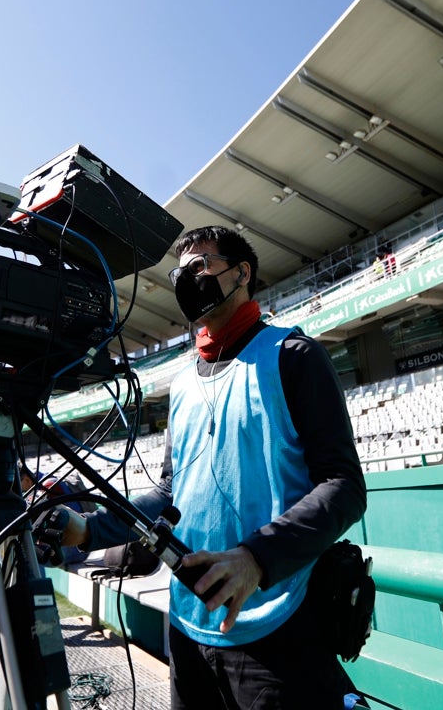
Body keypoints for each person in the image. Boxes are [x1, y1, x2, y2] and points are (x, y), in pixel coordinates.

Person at [59, 225, 367, 709]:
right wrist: (87, 529)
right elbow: (168, 494)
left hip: (279, 621)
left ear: (242, 273)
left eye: (201, 267)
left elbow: (344, 485)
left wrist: (255, 559)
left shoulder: (295, 356)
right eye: (180, 272)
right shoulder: (181, 383)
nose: (187, 280)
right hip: (186, 623)